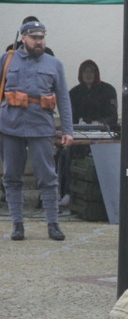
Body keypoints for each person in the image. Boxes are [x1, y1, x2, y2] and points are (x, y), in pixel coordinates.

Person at [0, 20, 74, 241]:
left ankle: (53, 224)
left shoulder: (54, 64)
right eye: (34, 37)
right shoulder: (7, 60)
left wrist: (68, 129)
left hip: (41, 126)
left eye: (42, 37)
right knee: (12, 176)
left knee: (48, 177)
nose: (39, 41)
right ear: (23, 38)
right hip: (10, 125)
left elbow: (63, 98)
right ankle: (17, 224)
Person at [57, 59, 119, 206]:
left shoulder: (108, 90)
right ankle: (68, 191)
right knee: (66, 153)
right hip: (79, 133)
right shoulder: (74, 92)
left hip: (102, 134)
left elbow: (113, 115)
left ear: (96, 73)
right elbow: (68, 115)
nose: (89, 74)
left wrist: (101, 122)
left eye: (91, 71)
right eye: (85, 71)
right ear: (81, 74)